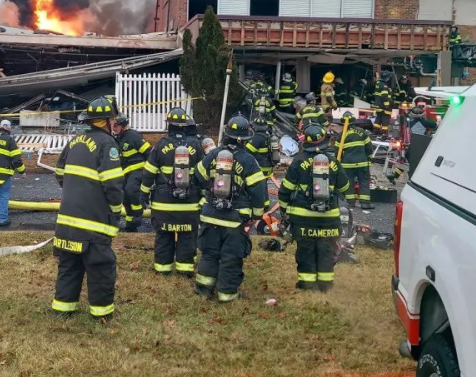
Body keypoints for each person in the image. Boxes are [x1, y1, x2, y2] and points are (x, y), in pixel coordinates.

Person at [51, 97, 125, 321]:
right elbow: (112, 183)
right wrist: (115, 209)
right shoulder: (108, 145)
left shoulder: (75, 141)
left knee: (69, 265)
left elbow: (60, 174)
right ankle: (101, 314)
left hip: (67, 221)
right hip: (93, 223)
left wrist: (77, 189)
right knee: (101, 267)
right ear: (107, 121)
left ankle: (63, 310)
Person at [193, 115, 269, 302]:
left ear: (226, 135)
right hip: (235, 219)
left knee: (209, 253)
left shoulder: (212, 155)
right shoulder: (249, 161)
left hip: (210, 215)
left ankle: (204, 288)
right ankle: (227, 294)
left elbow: (197, 178)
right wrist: (257, 215)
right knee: (230, 257)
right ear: (245, 139)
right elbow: (259, 192)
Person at [279, 123, 349, 291]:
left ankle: (307, 284)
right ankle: (325, 284)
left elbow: (285, 190)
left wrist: (284, 211)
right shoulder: (333, 162)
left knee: (306, 251)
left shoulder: (298, 161)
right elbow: (345, 187)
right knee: (326, 250)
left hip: (303, 219)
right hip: (329, 219)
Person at [141, 108, 204, 275]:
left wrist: (143, 195)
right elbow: (204, 175)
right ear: (185, 126)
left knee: (164, 237)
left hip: (164, 204)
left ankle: (163, 268)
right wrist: (204, 198)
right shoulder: (196, 145)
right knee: (188, 238)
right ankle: (184, 269)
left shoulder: (160, 145)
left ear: (168, 125)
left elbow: (148, 173)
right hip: (189, 205)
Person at [111, 114, 151, 232]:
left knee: (131, 190)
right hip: (126, 172)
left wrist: (149, 173)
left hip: (138, 170)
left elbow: (149, 153)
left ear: (123, 126)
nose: (114, 128)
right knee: (125, 197)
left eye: (116, 126)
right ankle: (130, 224)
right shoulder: (118, 138)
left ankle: (138, 215)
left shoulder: (134, 136)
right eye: (113, 125)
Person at [333, 112, 374, 209]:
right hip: (362, 163)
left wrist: (338, 162)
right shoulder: (362, 132)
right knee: (364, 182)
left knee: (349, 183)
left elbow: (337, 151)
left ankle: (351, 203)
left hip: (347, 164)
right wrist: (369, 158)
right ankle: (365, 203)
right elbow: (369, 147)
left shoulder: (341, 135)